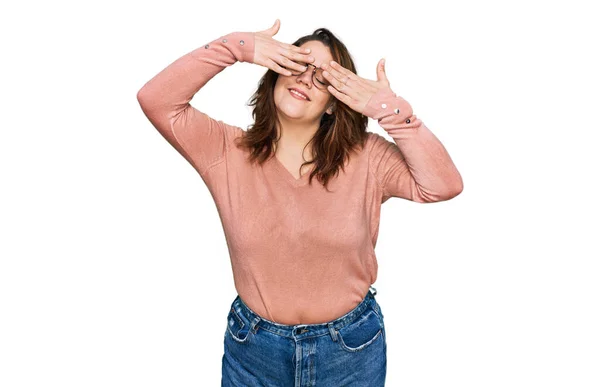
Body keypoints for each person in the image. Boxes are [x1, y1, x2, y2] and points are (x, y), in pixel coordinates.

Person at [137, 18, 463, 386]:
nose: (306, 79)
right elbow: (156, 100)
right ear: (275, 73)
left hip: (349, 351)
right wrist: (235, 47)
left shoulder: (369, 158)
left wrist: (391, 110)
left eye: (323, 78)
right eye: (297, 65)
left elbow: (442, 185)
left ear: (333, 104)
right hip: (254, 350)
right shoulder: (225, 151)